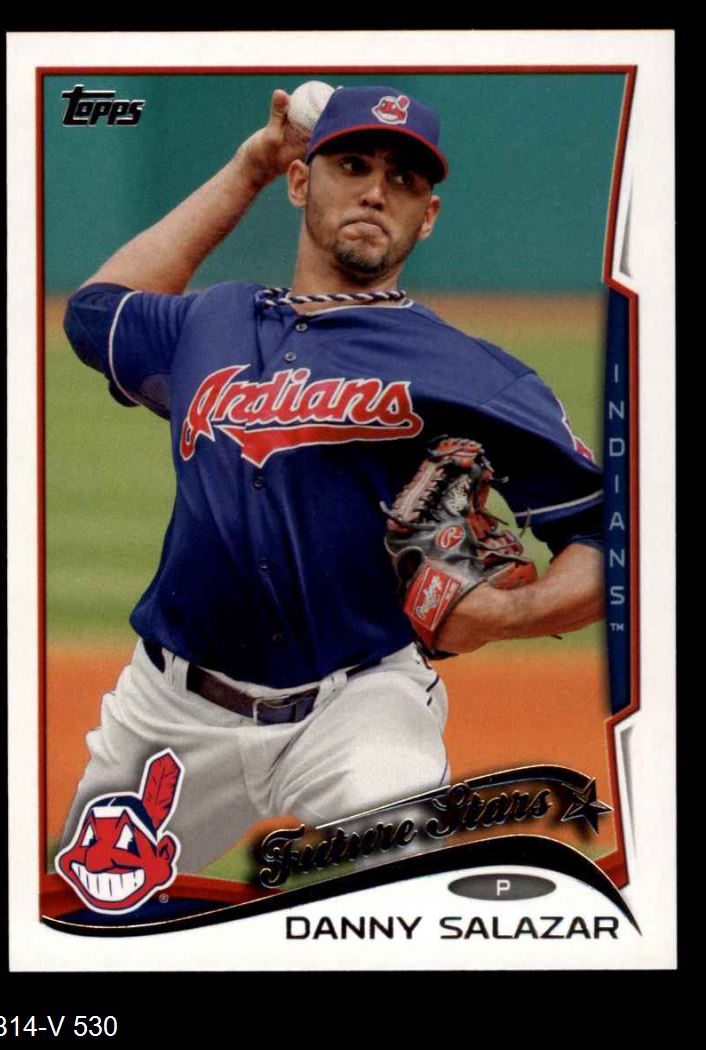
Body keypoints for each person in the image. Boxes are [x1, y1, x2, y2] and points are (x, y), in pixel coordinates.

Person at [60, 85, 605, 874]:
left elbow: (608, 533)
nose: (377, 191)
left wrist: (510, 612)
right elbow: (95, 313)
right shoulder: (211, 322)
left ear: (428, 216)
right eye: (352, 166)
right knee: (86, 915)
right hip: (169, 711)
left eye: (404, 180)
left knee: (399, 892)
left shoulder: (471, 373)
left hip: (362, 706)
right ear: (299, 182)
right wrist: (248, 166)